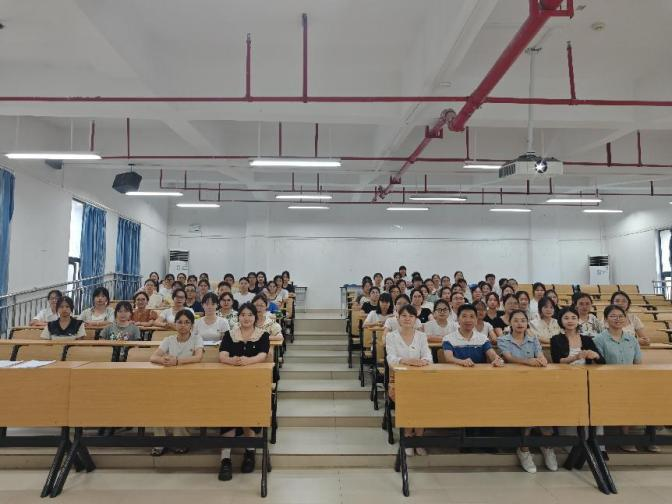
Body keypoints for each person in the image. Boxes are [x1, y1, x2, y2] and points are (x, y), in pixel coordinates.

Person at [498, 310, 557, 473]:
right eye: (516, 320)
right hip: (511, 385)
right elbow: (509, 358)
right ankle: (524, 449)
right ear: (510, 323)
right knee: (528, 409)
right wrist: (528, 362)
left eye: (523, 320)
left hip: (534, 384)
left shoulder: (533, 339)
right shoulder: (503, 339)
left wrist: (542, 359)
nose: (519, 323)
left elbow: (540, 355)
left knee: (545, 407)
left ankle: (547, 446)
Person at [218, 303, 271, 481]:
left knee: (249, 414)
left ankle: (250, 452)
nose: (246, 318)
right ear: (238, 317)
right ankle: (225, 459)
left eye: (250, 314)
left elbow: (262, 355)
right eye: (243, 314)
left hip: (253, 384)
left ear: (255, 317)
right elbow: (222, 355)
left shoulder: (262, 335)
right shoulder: (230, 334)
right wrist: (232, 361)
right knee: (228, 415)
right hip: (230, 384)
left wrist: (248, 361)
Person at [593, 305, 653, 453]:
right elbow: (598, 365)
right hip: (606, 382)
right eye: (613, 316)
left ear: (625, 319)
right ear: (606, 319)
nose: (617, 319)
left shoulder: (632, 339)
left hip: (629, 381)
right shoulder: (598, 339)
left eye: (621, 316)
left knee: (653, 395)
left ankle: (649, 438)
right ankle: (621, 438)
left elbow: (637, 363)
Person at [149, 310, 204, 456]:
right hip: (169, 382)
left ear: (192, 325)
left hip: (189, 382)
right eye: (179, 322)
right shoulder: (169, 339)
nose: (183, 325)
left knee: (180, 403)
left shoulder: (197, 339)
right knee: (156, 402)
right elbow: (153, 357)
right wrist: (165, 360)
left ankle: (181, 441)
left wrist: (177, 361)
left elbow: (198, 357)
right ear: (175, 324)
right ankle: (160, 441)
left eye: (187, 322)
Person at [385, 304, 433, 457]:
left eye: (411, 316)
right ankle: (407, 437)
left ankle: (419, 439)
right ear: (398, 317)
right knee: (408, 399)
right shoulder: (391, 336)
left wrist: (421, 362)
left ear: (415, 319)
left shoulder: (421, 336)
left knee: (423, 400)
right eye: (404, 315)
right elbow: (391, 359)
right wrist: (407, 361)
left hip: (420, 379)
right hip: (398, 380)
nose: (407, 319)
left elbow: (428, 357)